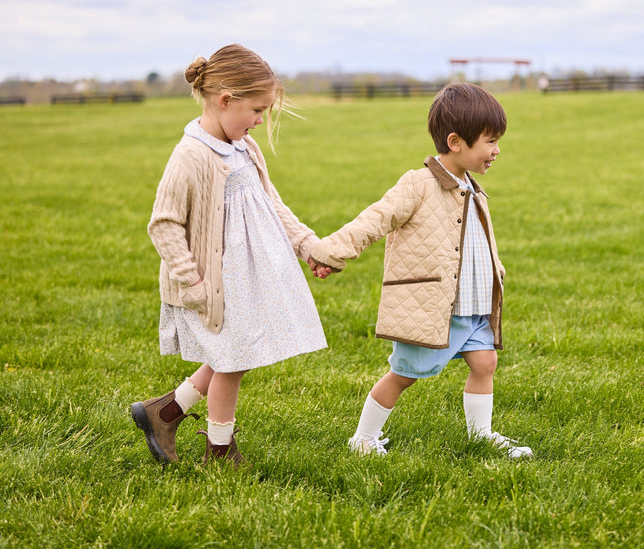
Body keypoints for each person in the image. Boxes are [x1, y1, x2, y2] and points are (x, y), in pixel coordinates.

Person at [130, 44, 329, 468]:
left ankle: (165, 413)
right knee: (233, 359)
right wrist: (193, 282)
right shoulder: (191, 155)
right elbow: (163, 224)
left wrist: (307, 245)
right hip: (215, 283)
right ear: (225, 100)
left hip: (248, 277)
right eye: (256, 110)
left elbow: (271, 204)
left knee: (235, 353)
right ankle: (220, 451)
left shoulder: (244, 148)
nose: (260, 120)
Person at [309, 82, 532, 459]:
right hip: (433, 307)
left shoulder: (472, 186)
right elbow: (375, 219)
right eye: (491, 141)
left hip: (473, 306)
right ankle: (363, 438)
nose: (497, 150)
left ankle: (481, 435)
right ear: (456, 142)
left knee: (485, 362)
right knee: (404, 374)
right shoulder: (418, 185)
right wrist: (331, 251)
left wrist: (496, 271)